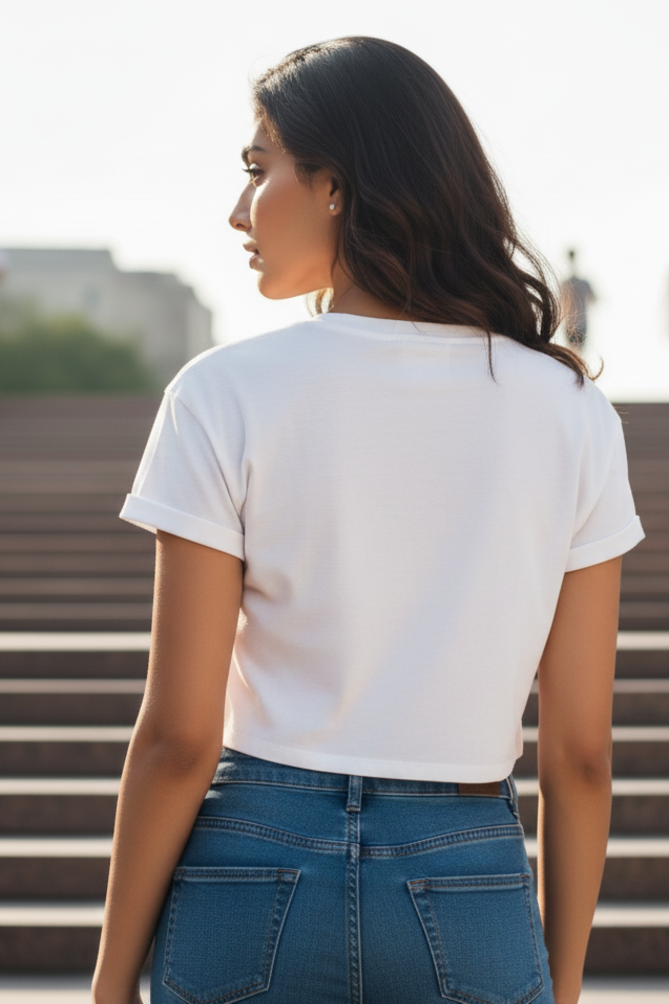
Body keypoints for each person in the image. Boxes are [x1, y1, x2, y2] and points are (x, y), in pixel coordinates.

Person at [92, 37, 645, 1004]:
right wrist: (556, 988)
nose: (236, 210)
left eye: (259, 170)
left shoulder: (222, 394)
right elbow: (580, 758)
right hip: (465, 871)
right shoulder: (569, 414)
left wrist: (106, 989)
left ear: (336, 185)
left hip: (250, 863)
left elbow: (178, 737)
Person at [560, 249, 596, 352]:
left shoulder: (566, 284)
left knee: (573, 352)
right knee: (577, 353)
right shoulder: (581, 283)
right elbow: (593, 300)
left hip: (571, 323)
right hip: (577, 323)